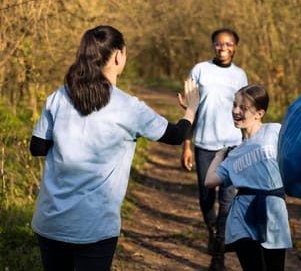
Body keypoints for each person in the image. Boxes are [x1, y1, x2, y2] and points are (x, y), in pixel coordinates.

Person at [29, 25, 200, 271]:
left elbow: (38, 147)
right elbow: (175, 135)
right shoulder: (129, 107)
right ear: (119, 55)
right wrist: (191, 109)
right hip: (94, 227)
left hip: (50, 221)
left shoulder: (59, 97)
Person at [179, 27, 248, 271]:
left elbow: (245, 112)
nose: (224, 48)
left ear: (235, 47)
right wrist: (186, 145)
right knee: (206, 197)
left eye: (228, 44)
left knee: (227, 200)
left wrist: (248, 143)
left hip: (232, 145)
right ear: (213, 46)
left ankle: (218, 253)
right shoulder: (200, 70)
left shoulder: (241, 76)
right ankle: (212, 228)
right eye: (219, 44)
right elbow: (191, 109)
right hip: (205, 145)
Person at [204, 84, 292, 271]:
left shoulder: (275, 131)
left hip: (273, 212)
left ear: (259, 113)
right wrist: (220, 156)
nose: (236, 111)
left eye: (243, 108)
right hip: (242, 215)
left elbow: (298, 151)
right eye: (235, 105)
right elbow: (209, 181)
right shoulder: (234, 153)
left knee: (275, 267)